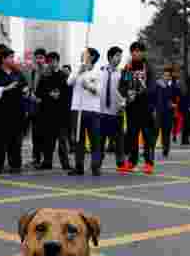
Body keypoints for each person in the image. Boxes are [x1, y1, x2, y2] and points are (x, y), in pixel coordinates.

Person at [0, 47, 28, 174]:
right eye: (10, 57)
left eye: (13, 57)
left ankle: (15, 164)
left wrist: (26, 91)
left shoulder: (18, 73)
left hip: (17, 111)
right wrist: (6, 88)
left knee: (16, 140)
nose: (12, 60)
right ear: (4, 59)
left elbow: (25, 86)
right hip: (1, 112)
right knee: (0, 139)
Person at [120, 41, 156, 174]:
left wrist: (141, 92)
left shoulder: (149, 67)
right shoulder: (128, 68)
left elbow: (152, 87)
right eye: (133, 51)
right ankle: (132, 161)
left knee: (148, 136)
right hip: (132, 107)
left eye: (138, 51)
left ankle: (149, 163)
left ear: (143, 52)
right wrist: (127, 93)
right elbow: (122, 85)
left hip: (146, 107)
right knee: (132, 135)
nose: (135, 53)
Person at [68, 47, 103, 177]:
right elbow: (69, 82)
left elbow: (99, 91)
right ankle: (78, 166)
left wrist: (88, 86)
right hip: (77, 109)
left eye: (85, 53)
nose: (83, 54)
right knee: (78, 139)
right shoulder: (77, 68)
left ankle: (95, 166)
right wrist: (78, 72)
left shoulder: (98, 72)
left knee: (95, 139)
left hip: (93, 110)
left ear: (92, 57)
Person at [36, 51, 71, 171]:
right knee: (48, 140)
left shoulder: (64, 76)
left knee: (62, 141)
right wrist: (49, 94)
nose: (52, 63)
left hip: (61, 114)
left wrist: (59, 95)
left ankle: (65, 163)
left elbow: (68, 94)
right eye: (49, 61)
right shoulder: (44, 76)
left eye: (54, 61)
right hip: (47, 113)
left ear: (58, 61)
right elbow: (38, 93)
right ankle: (47, 161)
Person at [99, 46, 127, 171]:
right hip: (101, 111)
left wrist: (124, 102)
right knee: (100, 139)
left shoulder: (122, 74)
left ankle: (121, 163)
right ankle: (97, 162)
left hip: (117, 111)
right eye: (117, 56)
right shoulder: (100, 72)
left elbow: (126, 91)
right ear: (110, 57)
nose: (119, 59)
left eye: (120, 56)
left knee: (119, 140)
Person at [152, 65, 178, 159]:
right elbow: (153, 97)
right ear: (162, 76)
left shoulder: (173, 86)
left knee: (166, 132)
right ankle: (151, 150)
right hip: (159, 112)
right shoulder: (157, 85)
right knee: (155, 131)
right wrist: (153, 108)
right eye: (165, 75)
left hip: (169, 113)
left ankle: (165, 150)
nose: (166, 77)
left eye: (168, 76)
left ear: (170, 77)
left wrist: (174, 104)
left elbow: (177, 97)